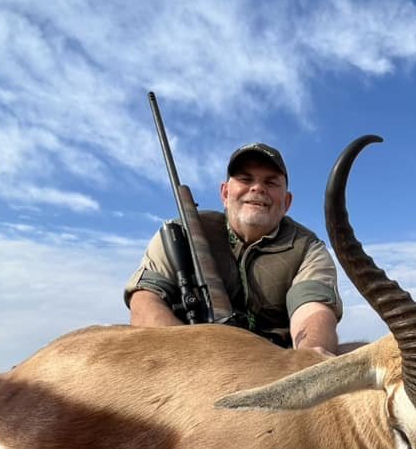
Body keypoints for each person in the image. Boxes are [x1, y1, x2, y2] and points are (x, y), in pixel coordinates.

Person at [124, 142, 342, 356]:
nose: (257, 188)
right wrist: (191, 359)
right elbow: (144, 301)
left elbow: (312, 312)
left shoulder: (308, 248)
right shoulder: (180, 233)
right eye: (245, 179)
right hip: (187, 360)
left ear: (287, 201)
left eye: (271, 182)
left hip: (275, 366)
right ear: (225, 193)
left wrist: (309, 359)